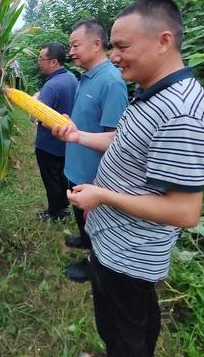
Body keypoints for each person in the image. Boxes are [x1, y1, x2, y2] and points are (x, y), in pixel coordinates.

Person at [54, 0, 204, 356]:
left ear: (163, 41)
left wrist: (102, 196)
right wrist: (78, 135)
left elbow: (184, 212)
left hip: (130, 255)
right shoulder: (152, 94)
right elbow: (124, 139)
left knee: (126, 334)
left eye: (122, 46)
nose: (114, 56)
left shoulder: (182, 113)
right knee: (125, 326)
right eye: (112, 46)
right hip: (115, 244)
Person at [63, 20, 128, 282]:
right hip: (76, 164)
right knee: (80, 213)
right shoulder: (86, 77)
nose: (71, 52)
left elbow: (115, 138)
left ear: (97, 44)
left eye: (75, 45)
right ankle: (84, 238)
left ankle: (94, 263)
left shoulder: (112, 82)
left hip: (94, 172)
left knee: (97, 220)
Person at [34, 43, 78, 221]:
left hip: (49, 143)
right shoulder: (71, 78)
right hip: (66, 141)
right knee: (61, 175)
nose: (39, 62)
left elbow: (38, 115)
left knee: (50, 178)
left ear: (53, 62)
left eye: (41, 59)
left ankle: (55, 212)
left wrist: (34, 102)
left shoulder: (51, 86)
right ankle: (64, 205)